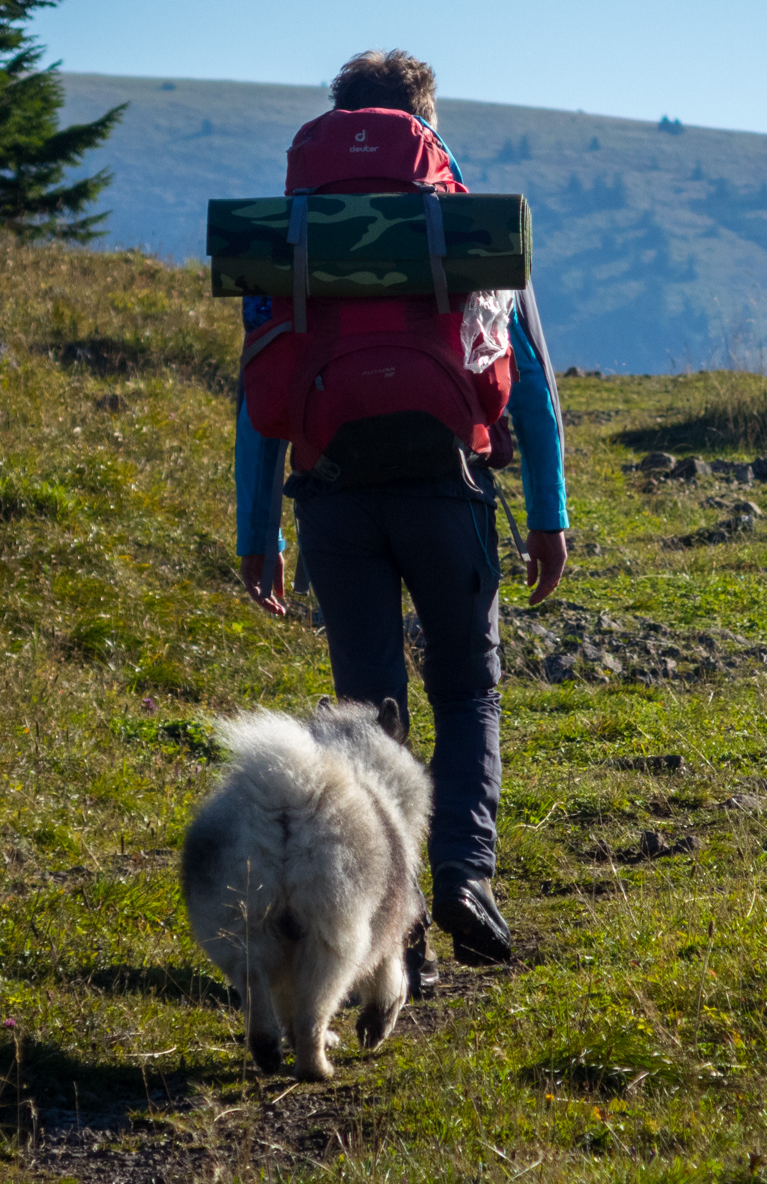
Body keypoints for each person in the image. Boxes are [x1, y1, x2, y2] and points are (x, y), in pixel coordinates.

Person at [233, 49, 568, 973]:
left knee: (369, 713)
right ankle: (467, 875)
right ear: (425, 124)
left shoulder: (288, 232)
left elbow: (260, 389)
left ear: (338, 121)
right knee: (466, 689)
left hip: (333, 501)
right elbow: (530, 381)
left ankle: (400, 926)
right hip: (444, 490)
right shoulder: (466, 221)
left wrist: (256, 535)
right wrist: (548, 511)